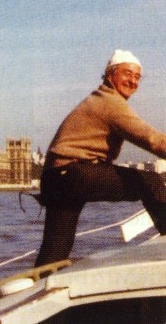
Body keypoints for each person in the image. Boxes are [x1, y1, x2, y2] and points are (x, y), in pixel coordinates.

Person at [34, 49, 166, 267]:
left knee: (54, 253)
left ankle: (39, 284)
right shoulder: (110, 103)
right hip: (75, 173)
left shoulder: (99, 99)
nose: (132, 81)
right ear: (110, 74)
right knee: (150, 181)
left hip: (56, 178)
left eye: (137, 77)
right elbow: (153, 140)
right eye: (127, 74)